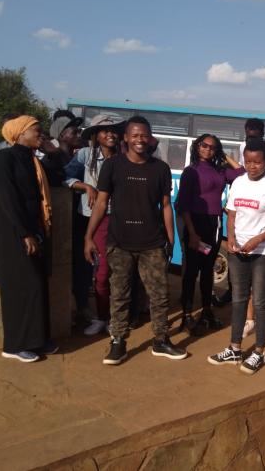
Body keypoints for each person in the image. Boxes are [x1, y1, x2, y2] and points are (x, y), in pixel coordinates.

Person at [83, 116, 186, 365]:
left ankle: (160, 341)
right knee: (120, 295)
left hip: (152, 243)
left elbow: (165, 206)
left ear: (150, 138)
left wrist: (171, 239)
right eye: (135, 135)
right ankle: (118, 341)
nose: (140, 140)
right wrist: (88, 236)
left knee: (159, 295)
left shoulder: (159, 168)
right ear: (126, 138)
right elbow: (101, 202)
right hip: (119, 243)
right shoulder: (113, 165)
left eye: (144, 135)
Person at [208, 139, 265, 374]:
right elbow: (231, 214)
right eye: (248, 161)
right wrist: (230, 238)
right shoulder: (238, 182)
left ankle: (259, 351)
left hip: (263, 253)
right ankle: (234, 348)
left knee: (262, 302)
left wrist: (256, 240)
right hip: (237, 252)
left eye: (257, 162)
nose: (252, 166)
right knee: (239, 299)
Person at [0, 116, 55, 362]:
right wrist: (24, 233)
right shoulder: (4, 158)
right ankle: (15, 345)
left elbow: (58, 172)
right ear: (19, 133)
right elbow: (8, 199)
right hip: (15, 232)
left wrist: (51, 152)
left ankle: (36, 340)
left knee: (36, 285)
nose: (41, 134)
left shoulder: (33, 160)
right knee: (20, 287)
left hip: (35, 228)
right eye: (36, 131)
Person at [175, 133, 242, 335]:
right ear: (196, 147)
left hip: (215, 224)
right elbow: (182, 205)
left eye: (213, 147)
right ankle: (187, 314)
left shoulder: (220, 170)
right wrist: (193, 234)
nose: (207, 149)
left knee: (207, 271)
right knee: (190, 271)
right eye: (204, 145)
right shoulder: (190, 171)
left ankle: (206, 311)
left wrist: (225, 157)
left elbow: (241, 173)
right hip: (195, 224)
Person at [63, 114, 124, 336]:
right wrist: (85, 187)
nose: (110, 134)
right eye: (105, 131)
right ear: (96, 136)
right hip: (89, 218)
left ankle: (113, 316)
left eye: (114, 130)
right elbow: (65, 177)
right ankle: (96, 315)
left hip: (117, 219)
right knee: (93, 269)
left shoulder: (124, 157)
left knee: (116, 271)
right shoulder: (85, 155)